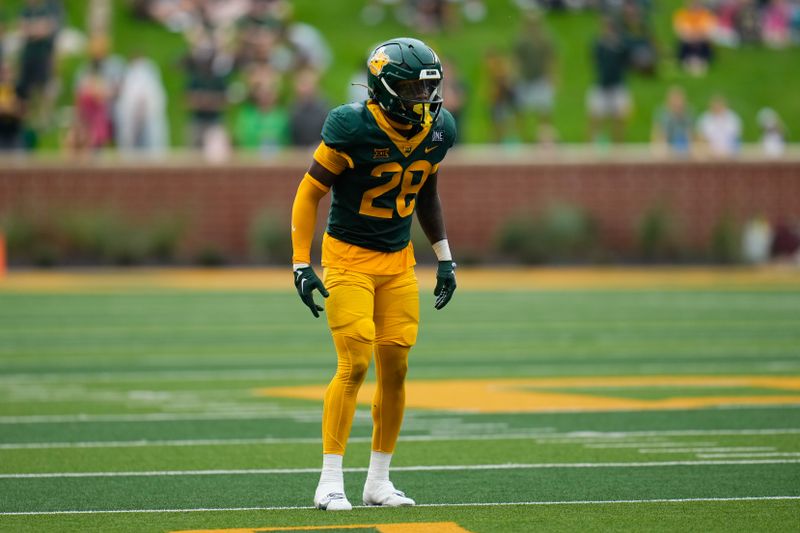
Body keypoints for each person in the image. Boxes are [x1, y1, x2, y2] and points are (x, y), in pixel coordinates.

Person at [290, 37, 457, 511]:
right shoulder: (351, 125)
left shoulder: (437, 129)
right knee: (355, 363)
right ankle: (329, 480)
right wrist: (302, 262)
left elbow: (426, 189)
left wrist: (443, 255)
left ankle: (378, 481)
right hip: (347, 259)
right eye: (411, 89)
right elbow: (309, 193)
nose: (423, 101)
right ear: (384, 89)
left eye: (428, 90)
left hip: (398, 261)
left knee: (397, 367)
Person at [651, 85, 694, 157]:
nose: (677, 103)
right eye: (675, 100)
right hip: (667, 146)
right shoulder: (662, 114)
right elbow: (658, 134)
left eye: (679, 99)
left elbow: (691, 133)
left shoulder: (688, 113)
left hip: (684, 146)